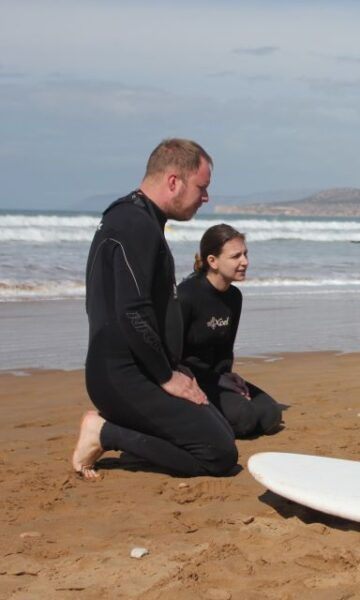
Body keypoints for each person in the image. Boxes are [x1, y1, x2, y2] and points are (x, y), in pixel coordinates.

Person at [72, 138, 237, 480]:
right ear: (174, 181)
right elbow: (132, 311)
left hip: (135, 371)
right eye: (202, 187)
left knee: (220, 427)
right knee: (219, 454)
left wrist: (175, 366)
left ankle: (119, 427)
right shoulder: (134, 224)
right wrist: (166, 376)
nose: (205, 197)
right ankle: (104, 432)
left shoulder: (140, 219)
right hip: (123, 376)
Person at [178, 224, 283, 438]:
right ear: (212, 261)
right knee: (245, 421)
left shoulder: (234, 297)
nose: (245, 262)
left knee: (271, 416)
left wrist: (228, 375)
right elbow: (168, 350)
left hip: (216, 377)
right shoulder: (186, 295)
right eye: (236, 256)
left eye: (245, 254)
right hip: (189, 379)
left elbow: (225, 347)